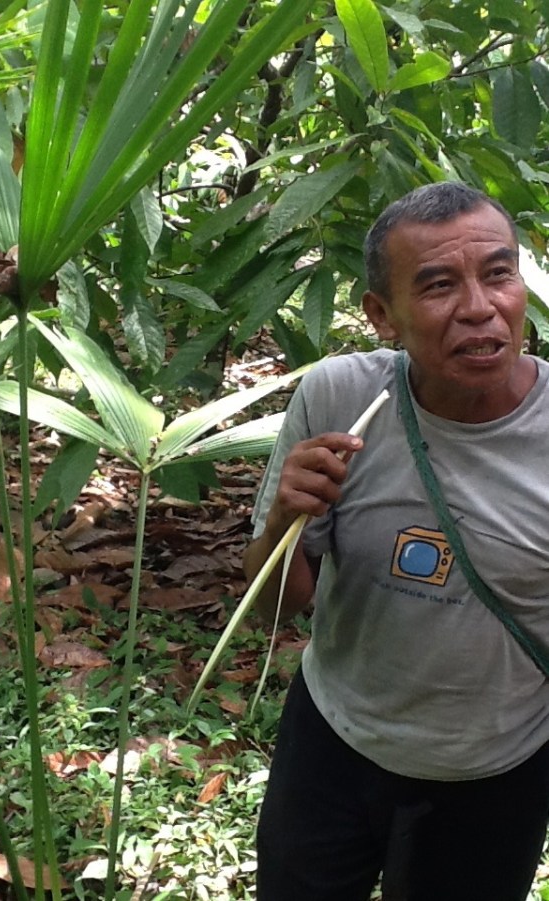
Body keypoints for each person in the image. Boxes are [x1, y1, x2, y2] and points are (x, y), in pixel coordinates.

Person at [245, 182, 549, 901]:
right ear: (381, 315)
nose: (479, 307)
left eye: (498, 273)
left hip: (490, 773)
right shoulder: (340, 397)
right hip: (332, 741)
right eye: (439, 284)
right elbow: (273, 608)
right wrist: (288, 517)